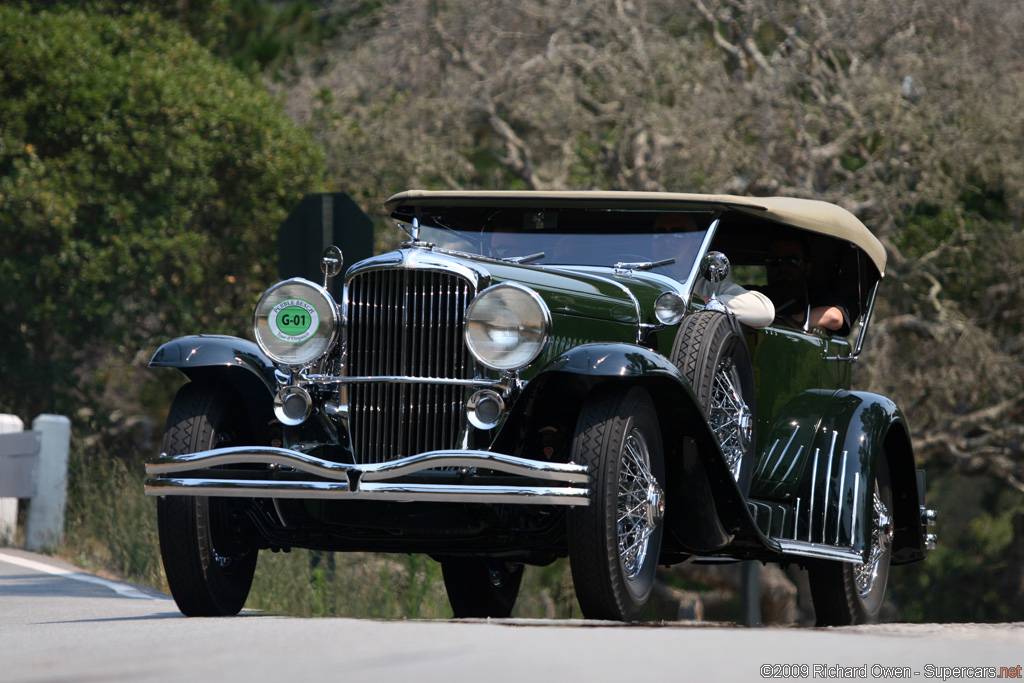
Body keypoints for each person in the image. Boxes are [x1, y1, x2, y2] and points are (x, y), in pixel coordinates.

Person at [653, 213, 775, 329]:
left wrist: (703, 303)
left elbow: (764, 310)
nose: (668, 240)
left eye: (678, 233)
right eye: (660, 234)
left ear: (696, 244)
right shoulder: (641, 279)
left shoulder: (709, 287)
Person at [760, 238, 849, 335]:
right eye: (774, 260)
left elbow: (834, 318)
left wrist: (790, 323)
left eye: (792, 260)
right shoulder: (755, 295)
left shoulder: (818, 297)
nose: (783, 266)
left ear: (807, 268)